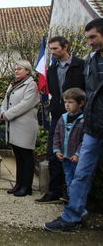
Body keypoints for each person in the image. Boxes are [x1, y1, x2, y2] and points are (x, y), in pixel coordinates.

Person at [44, 18, 103, 232]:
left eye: (93, 37)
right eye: (88, 38)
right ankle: (72, 215)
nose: (90, 42)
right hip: (92, 127)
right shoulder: (92, 60)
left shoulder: (81, 63)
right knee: (81, 172)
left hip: (86, 121)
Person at [36, 36, 85, 204]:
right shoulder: (52, 69)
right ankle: (54, 191)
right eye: (50, 49)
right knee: (53, 154)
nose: (52, 52)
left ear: (65, 47)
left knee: (77, 154)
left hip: (79, 117)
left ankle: (74, 194)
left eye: (55, 48)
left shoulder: (81, 66)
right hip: (58, 117)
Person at [0, 60, 40, 197]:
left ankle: (26, 187)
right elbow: (5, 101)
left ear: (27, 71)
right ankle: (18, 184)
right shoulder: (13, 84)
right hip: (13, 126)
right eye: (15, 69)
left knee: (26, 157)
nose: (16, 71)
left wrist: (7, 115)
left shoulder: (31, 85)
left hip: (25, 126)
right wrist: (2, 111)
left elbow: (26, 104)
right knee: (18, 156)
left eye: (19, 69)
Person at [52, 88, 86, 206]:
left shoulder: (83, 120)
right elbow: (56, 135)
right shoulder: (63, 117)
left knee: (78, 180)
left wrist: (78, 154)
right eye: (66, 102)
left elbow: (84, 140)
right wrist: (57, 150)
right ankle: (71, 200)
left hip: (76, 158)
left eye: (70, 102)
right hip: (65, 156)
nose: (67, 105)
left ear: (80, 103)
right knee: (68, 178)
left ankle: (76, 203)